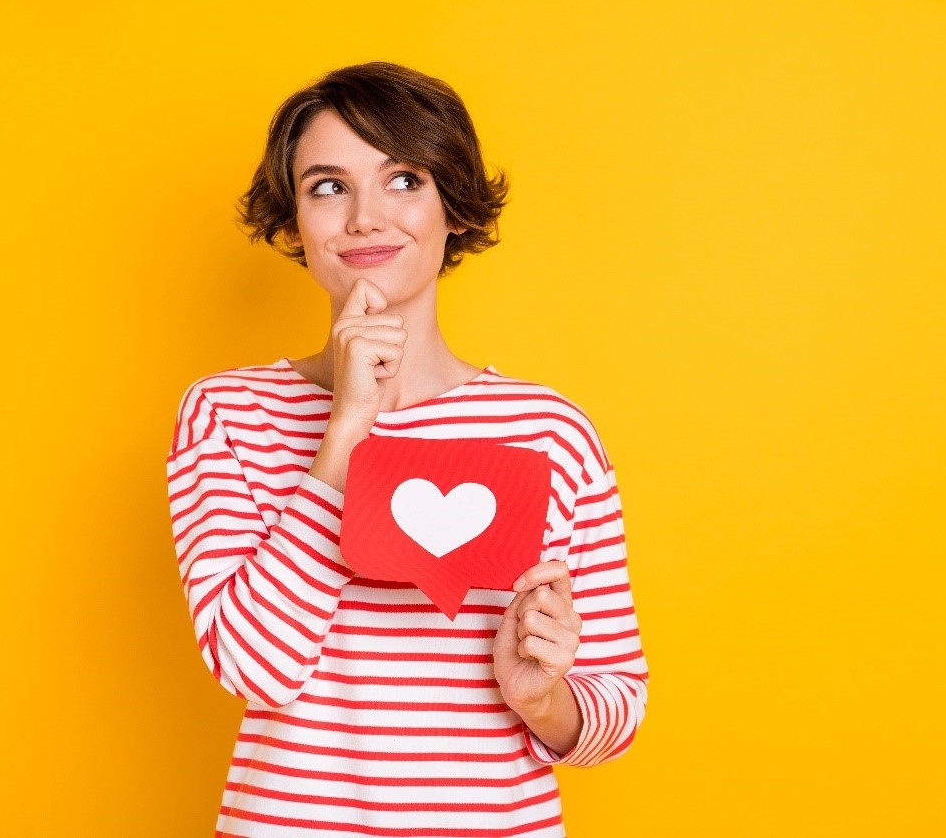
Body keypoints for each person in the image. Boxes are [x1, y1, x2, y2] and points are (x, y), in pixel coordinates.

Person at [165, 61, 648, 837]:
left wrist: (541, 698)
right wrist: (346, 429)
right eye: (329, 186)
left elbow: (616, 703)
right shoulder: (228, 414)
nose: (365, 217)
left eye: (403, 179)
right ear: (295, 220)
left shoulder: (551, 431)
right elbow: (255, 667)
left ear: (451, 206)